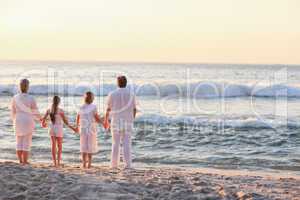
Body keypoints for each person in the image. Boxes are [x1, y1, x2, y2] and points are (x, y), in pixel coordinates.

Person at [105, 76, 137, 169]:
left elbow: (108, 109)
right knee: (127, 143)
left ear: (117, 83)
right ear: (126, 83)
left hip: (116, 121)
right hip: (128, 121)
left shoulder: (112, 94)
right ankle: (128, 165)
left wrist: (106, 120)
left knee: (115, 143)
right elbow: (134, 109)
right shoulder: (131, 94)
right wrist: (132, 119)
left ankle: (114, 165)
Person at [11, 79, 41, 165]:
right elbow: (35, 111)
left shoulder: (15, 97)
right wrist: (41, 119)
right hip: (28, 120)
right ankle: (25, 161)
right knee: (26, 141)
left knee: (19, 140)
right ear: (27, 87)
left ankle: (20, 160)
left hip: (18, 119)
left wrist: (14, 120)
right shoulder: (31, 98)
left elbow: (13, 111)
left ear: (19, 86)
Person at [42, 96, 76, 167]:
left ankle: (54, 163)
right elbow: (66, 122)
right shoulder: (60, 111)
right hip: (59, 129)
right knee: (59, 146)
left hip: (52, 128)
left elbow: (43, 120)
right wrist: (73, 128)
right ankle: (58, 162)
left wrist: (44, 124)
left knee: (53, 145)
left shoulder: (49, 110)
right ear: (59, 102)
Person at [75, 91, 105, 168]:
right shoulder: (93, 107)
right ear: (91, 98)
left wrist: (77, 126)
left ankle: (84, 163)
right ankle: (89, 164)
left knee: (83, 145)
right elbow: (97, 119)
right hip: (91, 128)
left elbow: (78, 118)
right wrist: (103, 120)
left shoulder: (81, 107)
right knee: (90, 145)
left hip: (83, 128)